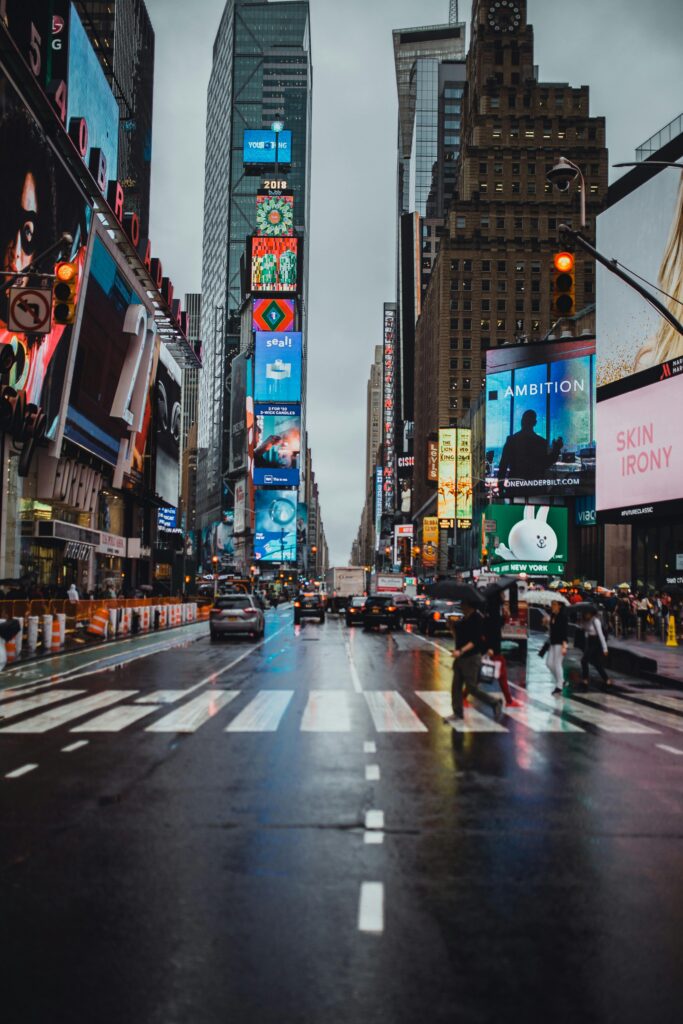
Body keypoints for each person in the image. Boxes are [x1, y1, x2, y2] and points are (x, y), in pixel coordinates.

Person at [446, 599, 504, 724]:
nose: (461, 605)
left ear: (469, 605)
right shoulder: (463, 620)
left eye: (463, 603)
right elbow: (458, 637)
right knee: (455, 687)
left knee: (472, 688)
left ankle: (494, 702)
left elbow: (475, 641)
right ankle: (457, 713)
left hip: (471, 658)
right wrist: (451, 627)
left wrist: (461, 651)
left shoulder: (477, 619)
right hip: (460, 658)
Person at [497, 409, 564, 487]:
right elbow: (546, 463)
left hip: (516, 487)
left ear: (522, 421)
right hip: (535, 487)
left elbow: (503, 466)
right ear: (535, 423)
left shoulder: (512, 440)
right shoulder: (541, 442)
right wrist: (556, 449)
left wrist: (501, 488)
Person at [483, 592, 520, 707]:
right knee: (479, 676)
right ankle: (509, 701)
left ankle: (509, 701)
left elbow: (497, 626)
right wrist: (489, 648)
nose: (504, 596)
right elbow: (492, 630)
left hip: (494, 648)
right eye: (502, 594)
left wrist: (505, 616)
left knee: (500, 676)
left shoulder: (493, 609)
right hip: (493, 648)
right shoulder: (493, 610)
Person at [578, 608, 611, 691]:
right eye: (584, 613)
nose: (586, 615)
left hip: (596, 642)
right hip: (589, 641)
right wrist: (581, 623)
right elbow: (584, 629)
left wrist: (605, 648)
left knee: (584, 660)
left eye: (587, 613)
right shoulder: (585, 620)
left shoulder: (595, 621)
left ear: (591, 613)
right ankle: (607, 680)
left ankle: (585, 680)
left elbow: (601, 635)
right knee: (596, 663)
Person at [546, 599, 569, 695]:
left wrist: (564, 645)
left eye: (554, 604)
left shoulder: (563, 617)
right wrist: (546, 623)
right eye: (552, 604)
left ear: (559, 605)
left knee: (557, 663)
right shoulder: (553, 616)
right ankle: (562, 681)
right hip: (553, 642)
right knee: (549, 663)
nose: (552, 606)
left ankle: (559, 686)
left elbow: (564, 631)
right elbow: (552, 629)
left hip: (561, 643)